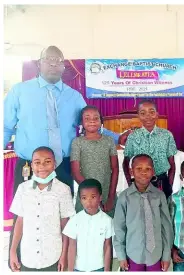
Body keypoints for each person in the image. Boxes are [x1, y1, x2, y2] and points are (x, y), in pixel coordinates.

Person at [4, 45, 127, 267]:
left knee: (62, 214)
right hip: (29, 167)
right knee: (25, 214)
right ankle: (19, 261)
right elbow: (5, 126)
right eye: (48, 59)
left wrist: (118, 138)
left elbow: (91, 123)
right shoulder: (19, 91)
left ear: (63, 67)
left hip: (61, 166)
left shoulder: (74, 96)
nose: (53, 63)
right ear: (39, 63)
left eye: (58, 60)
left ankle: (61, 261)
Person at [9, 146, 75, 272]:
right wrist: (12, 251)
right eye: (37, 162)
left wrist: (64, 255)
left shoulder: (63, 190)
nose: (42, 166)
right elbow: (19, 221)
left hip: (53, 256)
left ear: (54, 164)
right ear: (31, 166)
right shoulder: (23, 189)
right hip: (28, 257)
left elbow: (65, 225)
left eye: (47, 162)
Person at [114, 154, 173, 272]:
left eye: (148, 169)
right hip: (133, 255)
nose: (143, 172)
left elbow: (166, 227)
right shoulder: (124, 197)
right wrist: (121, 255)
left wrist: (166, 255)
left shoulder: (159, 196)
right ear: (131, 171)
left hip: (156, 255)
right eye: (139, 169)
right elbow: (119, 228)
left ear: (153, 172)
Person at [123, 99, 177, 199]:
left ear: (157, 114)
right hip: (139, 183)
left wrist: (169, 185)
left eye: (151, 112)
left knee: (161, 212)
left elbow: (172, 164)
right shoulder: (133, 137)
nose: (148, 116)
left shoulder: (167, 135)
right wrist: (130, 184)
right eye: (143, 113)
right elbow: (125, 162)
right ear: (138, 116)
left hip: (161, 181)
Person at [71, 106, 119, 217]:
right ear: (81, 122)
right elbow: (76, 172)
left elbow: (115, 169)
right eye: (87, 118)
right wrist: (92, 195)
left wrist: (111, 197)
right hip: (86, 196)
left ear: (101, 121)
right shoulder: (77, 143)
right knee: (85, 229)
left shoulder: (109, 141)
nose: (92, 121)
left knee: (108, 228)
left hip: (107, 195)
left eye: (96, 118)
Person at [63, 179, 113, 272]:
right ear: (80, 199)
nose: (89, 202)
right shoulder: (75, 220)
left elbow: (107, 247)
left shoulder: (107, 220)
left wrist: (107, 271)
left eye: (93, 197)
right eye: (84, 198)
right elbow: (72, 246)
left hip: (99, 268)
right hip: (78, 268)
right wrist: (70, 271)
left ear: (100, 197)